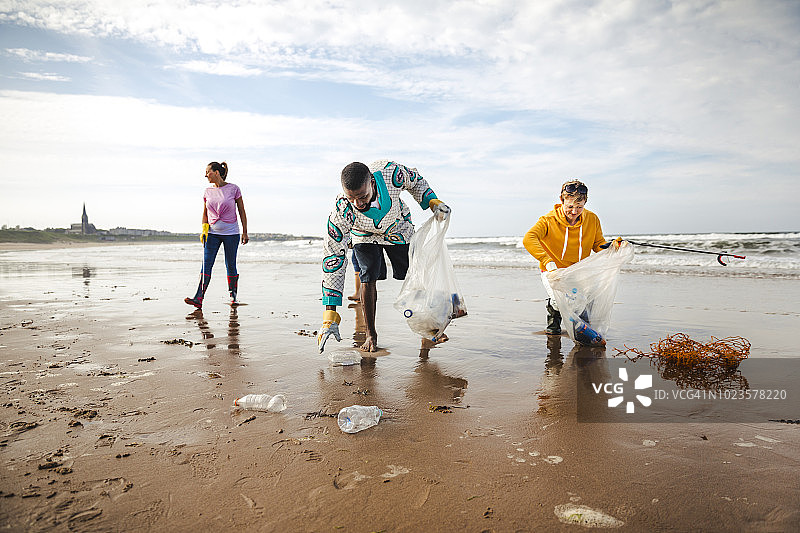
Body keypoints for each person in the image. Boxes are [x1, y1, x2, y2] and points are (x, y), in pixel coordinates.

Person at [318, 160, 450, 353]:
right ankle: (370, 335)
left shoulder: (390, 173)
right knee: (367, 277)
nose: (358, 203)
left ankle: (427, 330)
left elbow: (415, 180)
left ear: (372, 182)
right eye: (351, 198)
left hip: (397, 228)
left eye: (362, 196)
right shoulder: (341, 210)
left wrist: (432, 201)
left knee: (414, 275)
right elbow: (333, 258)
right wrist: (330, 315)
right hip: (363, 234)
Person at [523, 179, 614, 335]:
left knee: (583, 301)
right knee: (561, 302)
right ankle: (553, 327)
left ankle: (584, 332)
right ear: (562, 200)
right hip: (553, 271)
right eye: (570, 206)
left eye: (579, 207)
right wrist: (548, 261)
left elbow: (598, 244)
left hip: (579, 270)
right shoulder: (548, 220)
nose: (574, 212)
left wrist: (612, 248)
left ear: (585, 202)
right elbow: (529, 238)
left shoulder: (592, 219)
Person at [184, 161, 249, 308]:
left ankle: (233, 296)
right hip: (212, 234)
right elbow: (205, 213)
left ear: (217, 172)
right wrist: (204, 230)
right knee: (206, 265)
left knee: (230, 265)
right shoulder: (207, 191)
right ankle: (198, 298)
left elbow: (242, 211)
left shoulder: (234, 189)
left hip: (231, 234)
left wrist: (245, 232)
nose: (205, 174)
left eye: (208, 172)